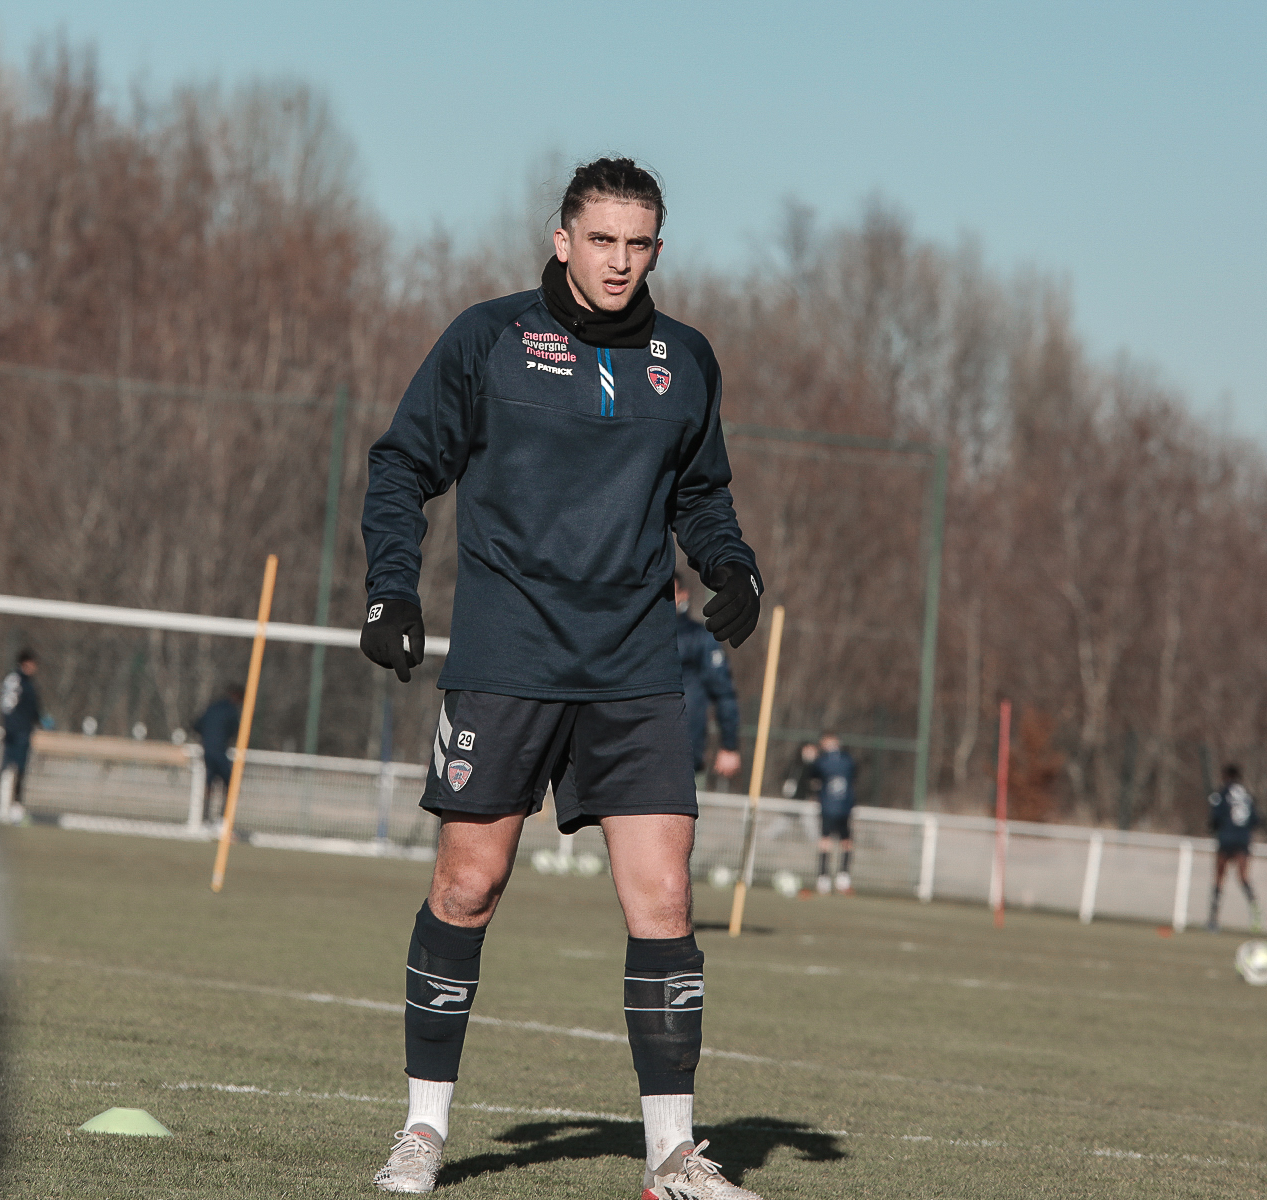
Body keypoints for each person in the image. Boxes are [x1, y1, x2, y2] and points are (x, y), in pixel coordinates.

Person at [360, 158, 764, 1199]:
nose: (620, 261)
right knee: (468, 884)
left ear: (657, 250)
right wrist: (391, 590)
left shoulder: (686, 360)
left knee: (664, 898)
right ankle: (421, 1129)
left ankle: (672, 1153)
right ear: (560, 239)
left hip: (633, 663)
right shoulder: (490, 340)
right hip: (510, 653)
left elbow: (703, 496)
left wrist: (731, 566)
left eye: (638, 245)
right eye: (601, 240)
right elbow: (404, 463)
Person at [675, 572, 741, 787]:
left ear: (683, 594)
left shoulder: (699, 637)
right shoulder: (637, 635)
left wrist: (729, 745)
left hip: (681, 748)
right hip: (635, 746)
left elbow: (723, 692)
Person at [0, 649, 42, 818]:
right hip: (20, 730)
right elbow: (31, 708)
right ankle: (15, 808)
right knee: (18, 769)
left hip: (12, 729)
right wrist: (38, 721)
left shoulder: (12, 680)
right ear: (26, 663)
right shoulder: (24, 683)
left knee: (7, 766)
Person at [1207, 764, 1263, 933]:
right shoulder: (1247, 795)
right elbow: (1256, 819)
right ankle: (1256, 915)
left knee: (1219, 878)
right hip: (1243, 841)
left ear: (1225, 776)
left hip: (1226, 839)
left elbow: (1214, 819)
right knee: (1244, 878)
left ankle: (1213, 920)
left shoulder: (1221, 793)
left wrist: (1216, 827)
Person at [804, 735, 857, 895]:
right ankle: (841, 879)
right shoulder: (848, 760)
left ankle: (824, 879)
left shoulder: (822, 761)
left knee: (827, 842)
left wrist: (810, 760)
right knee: (844, 841)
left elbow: (813, 775)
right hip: (844, 807)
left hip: (829, 807)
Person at [192, 684, 244, 827]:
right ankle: (222, 820)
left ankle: (204, 819)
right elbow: (235, 730)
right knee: (231, 784)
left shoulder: (213, 707)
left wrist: (208, 738)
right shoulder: (231, 711)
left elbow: (196, 725)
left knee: (209, 783)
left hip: (207, 750)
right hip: (219, 752)